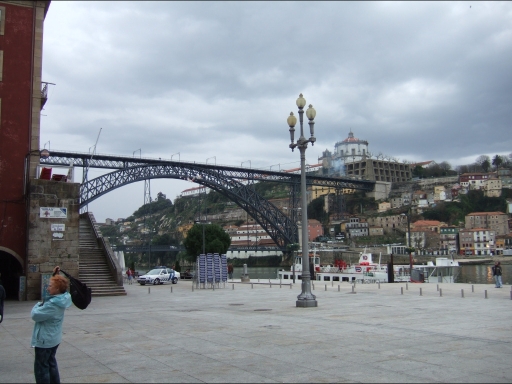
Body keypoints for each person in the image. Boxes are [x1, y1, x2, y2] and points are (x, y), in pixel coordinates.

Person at [31, 266, 71, 383]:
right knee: (51, 363)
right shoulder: (62, 298)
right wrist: (55, 275)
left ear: (57, 289)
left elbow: (35, 315)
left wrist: (37, 305)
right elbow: (55, 290)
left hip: (45, 340)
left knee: (41, 368)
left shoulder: (52, 305)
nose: (47, 288)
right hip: (53, 338)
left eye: (50, 286)